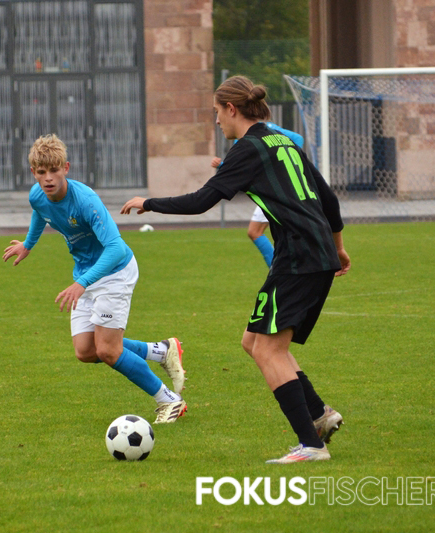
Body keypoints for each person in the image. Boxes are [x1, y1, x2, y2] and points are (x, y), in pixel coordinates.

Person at [121, 76, 351, 463]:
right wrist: (339, 247)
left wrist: (150, 202)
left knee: (269, 349)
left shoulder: (248, 149)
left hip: (299, 256)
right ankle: (319, 414)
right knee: (253, 341)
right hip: (310, 253)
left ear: (231, 109)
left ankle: (311, 445)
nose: (216, 121)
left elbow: (201, 201)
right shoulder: (282, 141)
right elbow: (328, 199)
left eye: (216, 112)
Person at [2, 134, 187, 424]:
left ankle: (169, 400)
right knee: (86, 351)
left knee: (108, 350)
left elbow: (115, 248)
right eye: (41, 172)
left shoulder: (85, 201)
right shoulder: (37, 194)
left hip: (115, 273)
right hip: (86, 274)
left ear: (66, 168)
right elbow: (41, 212)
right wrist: (28, 244)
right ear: (33, 172)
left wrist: (82, 283)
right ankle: (161, 350)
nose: (48, 178)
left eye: (54, 170)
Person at [211, 123, 305, 268]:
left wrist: (288, 162)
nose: (218, 121)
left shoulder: (267, 129)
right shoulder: (240, 139)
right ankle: (281, 268)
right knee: (259, 231)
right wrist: (222, 165)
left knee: (260, 231)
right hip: (270, 192)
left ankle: (281, 269)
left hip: (278, 191)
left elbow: (298, 139)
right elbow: (242, 169)